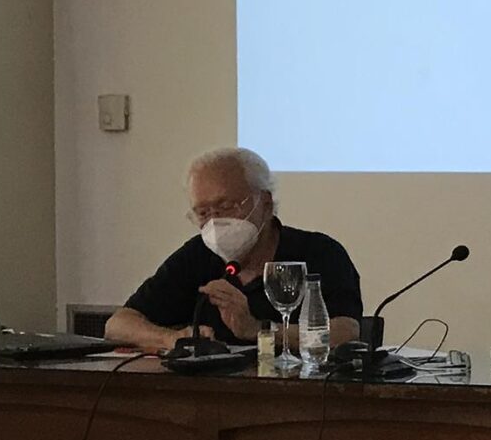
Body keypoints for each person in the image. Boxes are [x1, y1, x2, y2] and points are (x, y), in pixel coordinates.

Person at [106, 147, 361, 356]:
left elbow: (345, 332)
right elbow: (118, 325)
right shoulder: (198, 255)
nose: (215, 221)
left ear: (265, 203)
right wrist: (171, 338)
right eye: (203, 213)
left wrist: (258, 330)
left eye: (226, 206)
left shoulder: (319, 252)